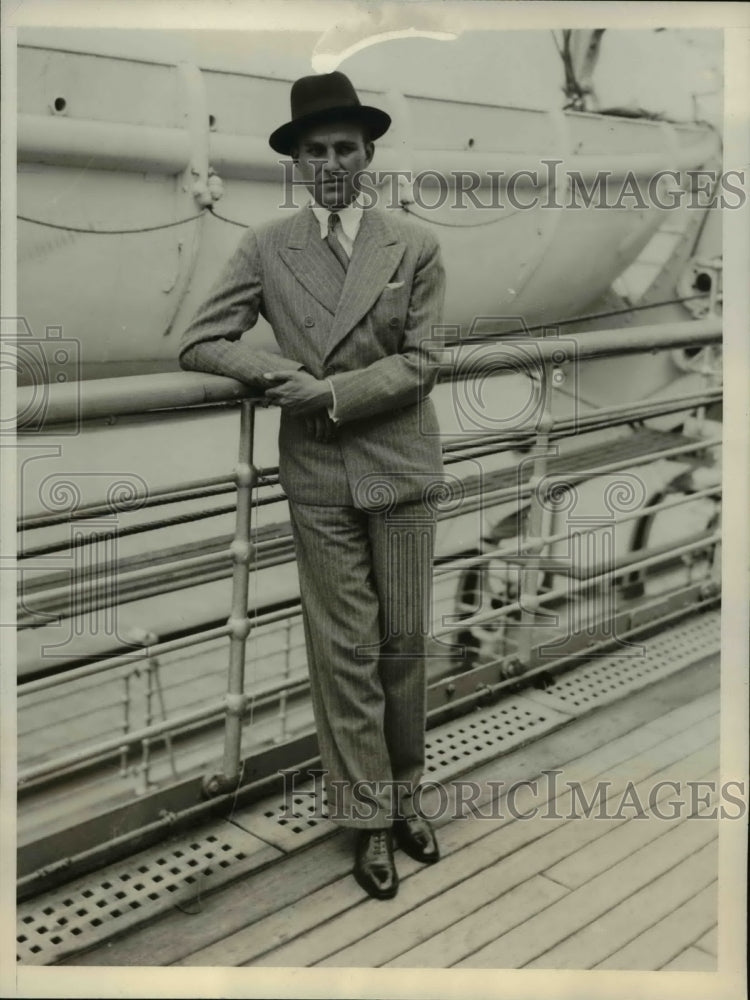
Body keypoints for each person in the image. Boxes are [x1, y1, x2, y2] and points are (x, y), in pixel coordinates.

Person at [179, 71, 446, 900]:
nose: (331, 162)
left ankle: (405, 795)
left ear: (368, 154)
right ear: (296, 162)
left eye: (345, 147)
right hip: (321, 476)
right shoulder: (266, 247)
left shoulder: (415, 244)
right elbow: (200, 341)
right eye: (315, 150)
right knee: (346, 653)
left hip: (399, 466)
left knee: (402, 642)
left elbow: (425, 362)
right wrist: (275, 371)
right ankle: (366, 820)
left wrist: (329, 392)